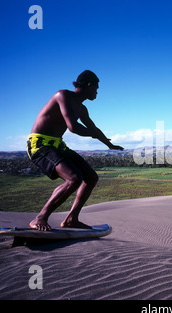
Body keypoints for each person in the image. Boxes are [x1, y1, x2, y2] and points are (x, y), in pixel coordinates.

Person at [26, 70, 123, 231]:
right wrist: (93, 135)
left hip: (58, 145)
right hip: (40, 145)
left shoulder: (82, 109)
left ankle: (72, 219)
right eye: (96, 88)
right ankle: (40, 217)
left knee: (91, 177)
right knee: (74, 178)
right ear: (89, 85)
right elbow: (72, 127)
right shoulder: (62, 95)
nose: (97, 92)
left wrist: (108, 144)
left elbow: (93, 128)